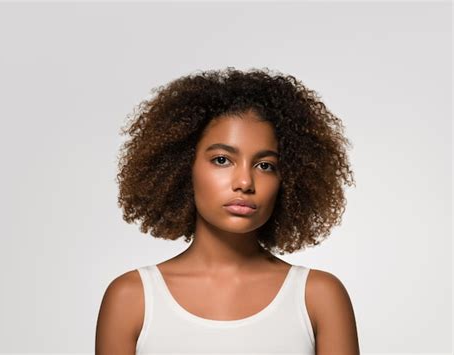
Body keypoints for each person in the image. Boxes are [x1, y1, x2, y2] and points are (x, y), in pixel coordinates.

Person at [95, 67, 360, 354]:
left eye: (265, 165)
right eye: (222, 160)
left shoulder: (318, 298)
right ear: (183, 167)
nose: (245, 182)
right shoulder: (132, 299)